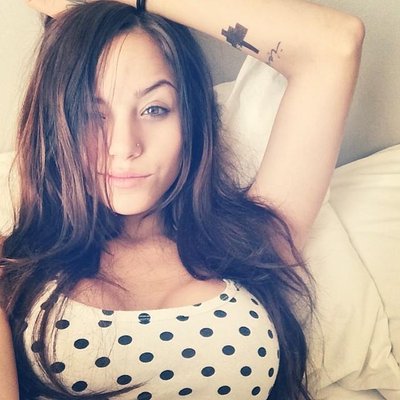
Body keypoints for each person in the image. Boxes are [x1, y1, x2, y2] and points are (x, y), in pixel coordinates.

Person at [0, 0, 364, 399]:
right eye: (91, 113)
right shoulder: (15, 268)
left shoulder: (251, 240)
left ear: (190, 119)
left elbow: (334, 45)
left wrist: (127, 2)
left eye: (155, 109)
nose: (124, 146)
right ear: (56, 126)